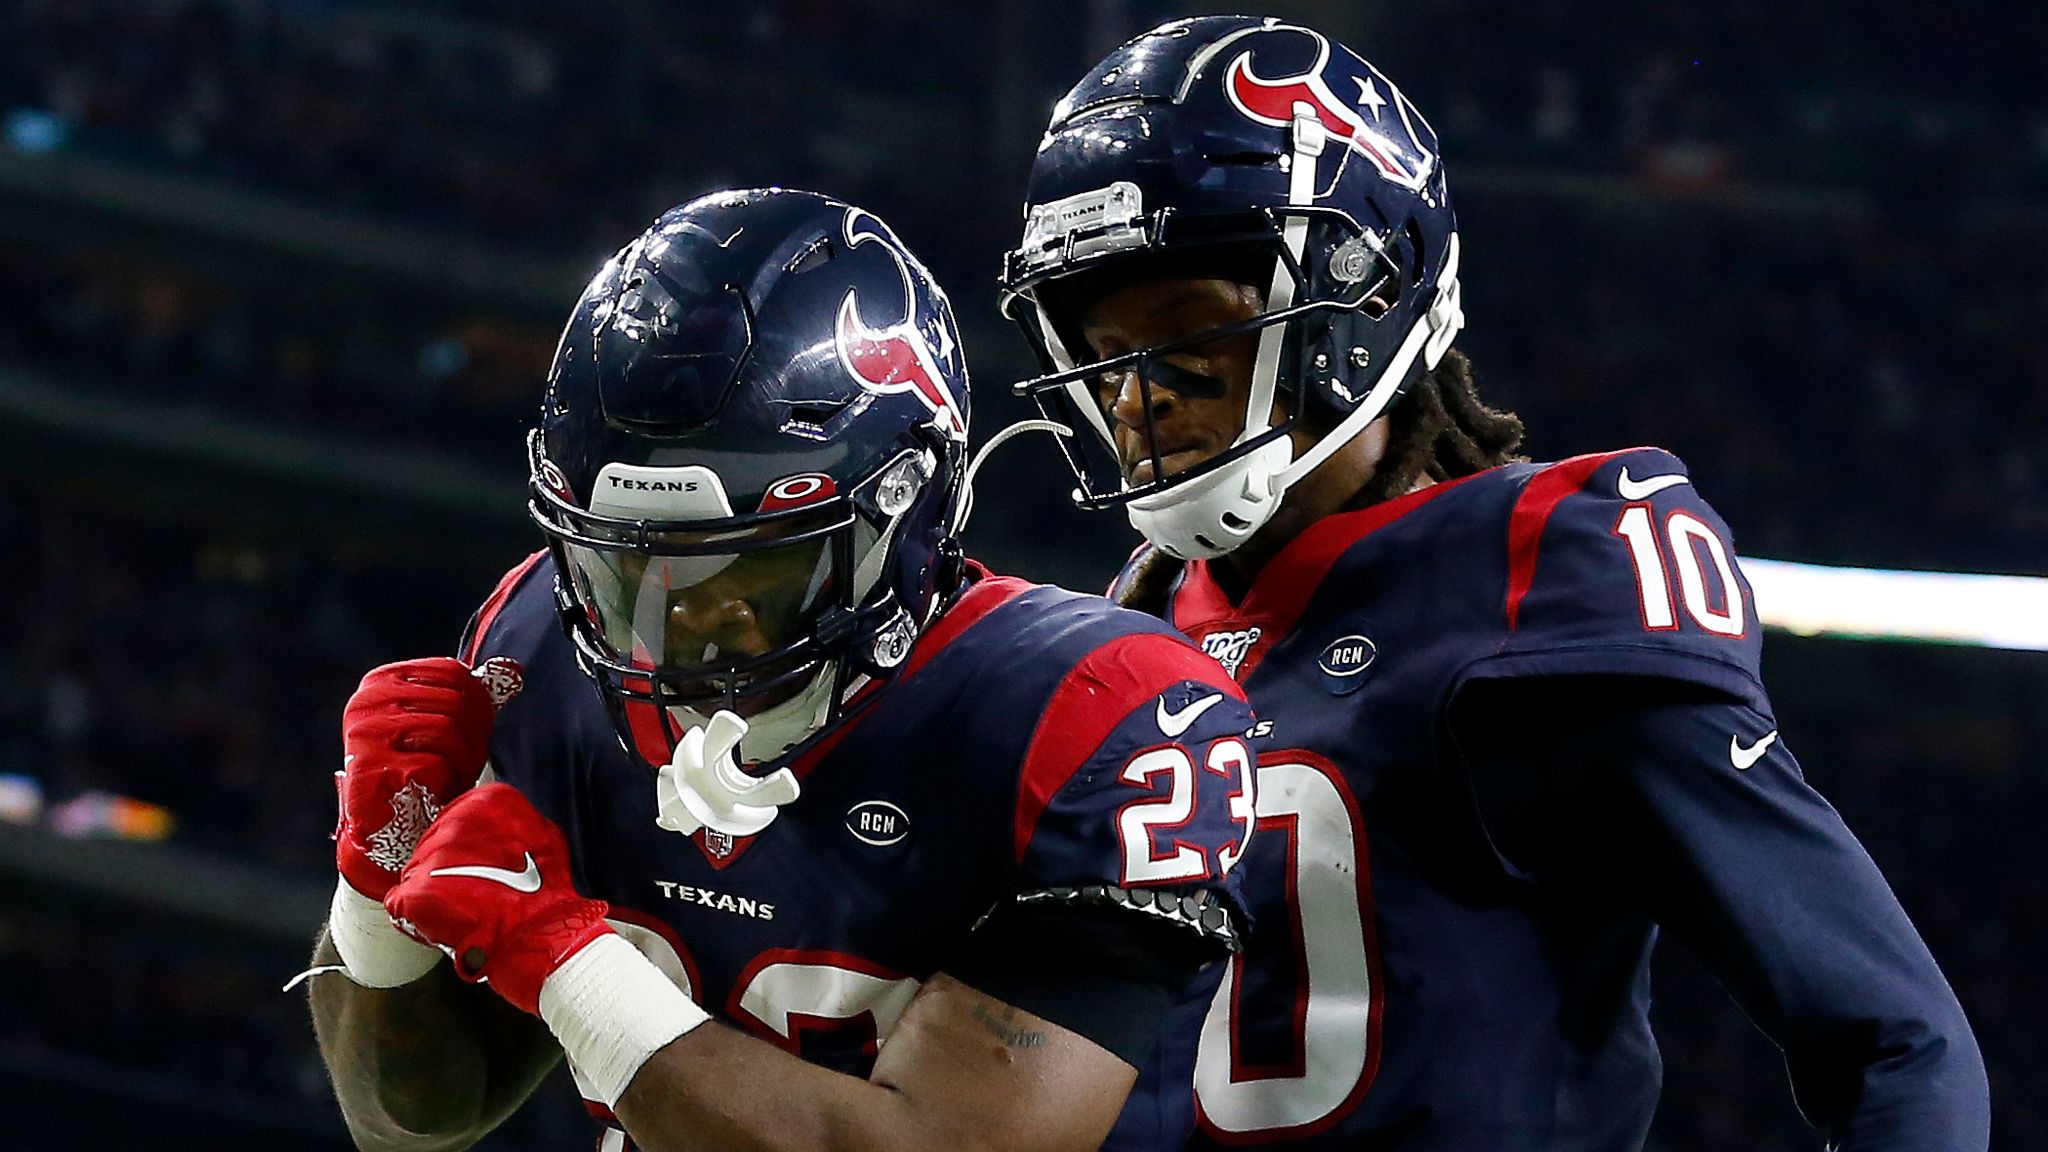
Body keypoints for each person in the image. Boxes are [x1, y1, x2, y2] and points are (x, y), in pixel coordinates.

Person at [999, 16, 1989, 1151]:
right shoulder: (1129, 621)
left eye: (1190, 333)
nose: (1136, 396)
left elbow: (1890, 1043)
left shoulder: (1534, 574)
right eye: (1099, 344)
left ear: (1363, 302)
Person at [304, 188, 1264, 1152]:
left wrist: (569, 964)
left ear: (903, 509)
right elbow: (409, 1119)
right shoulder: (542, 652)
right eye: (631, 566)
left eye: (752, 564)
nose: (684, 625)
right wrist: (378, 897)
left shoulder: (1094, 713)